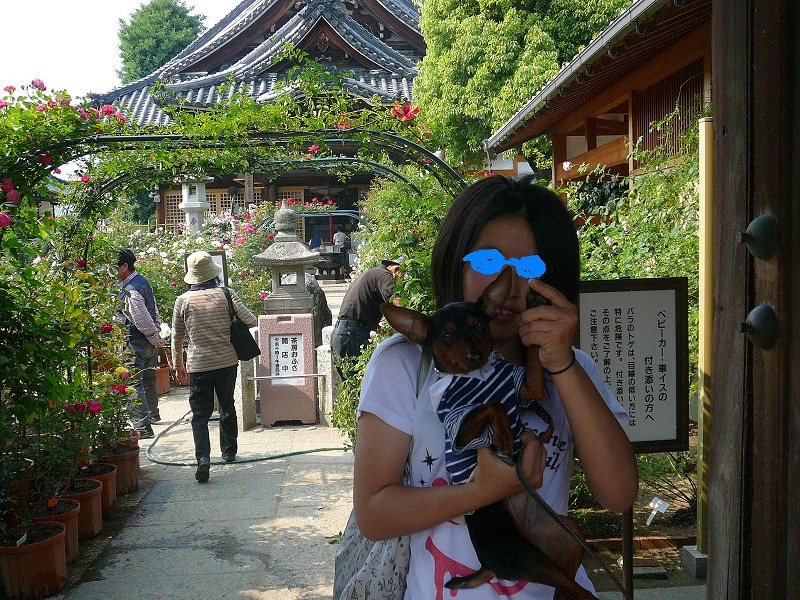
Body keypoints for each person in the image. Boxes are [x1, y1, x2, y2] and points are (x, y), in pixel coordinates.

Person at [351, 175, 638, 598]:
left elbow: (619, 493)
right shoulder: (405, 364)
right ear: (456, 262)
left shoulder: (573, 371)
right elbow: (374, 513)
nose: (509, 285)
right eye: (488, 262)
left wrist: (562, 365)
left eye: (531, 268)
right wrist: (482, 491)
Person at [171, 251, 258, 482]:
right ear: (213, 272)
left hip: (198, 364)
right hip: (226, 362)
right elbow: (251, 320)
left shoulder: (183, 301)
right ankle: (229, 452)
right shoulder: (226, 294)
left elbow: (177, 337)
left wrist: (178, 365)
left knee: (200, 415)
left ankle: (203, 458)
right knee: (227, 405)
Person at [113, 248, 164, 439]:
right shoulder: (141, 282)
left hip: (136, 341)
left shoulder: (131, 290)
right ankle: (153, 414)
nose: (110, 273)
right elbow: (154, 309)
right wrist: (156, 335)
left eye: (113, 268)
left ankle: (143, 427)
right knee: (148, 380)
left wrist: (152, 335)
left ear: (124, 267)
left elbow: (140, 318)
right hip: (147, 342)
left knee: (134, 383)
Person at [330, 257, 404, 363]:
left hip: (340, 333)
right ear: (396, 269)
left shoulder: (372, 274)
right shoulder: (385, 275)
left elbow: (359, 310)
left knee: (349, 372)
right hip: (353, 335)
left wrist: (378, 328)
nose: (401, 281)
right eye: (402, 276)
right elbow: (396, 302)